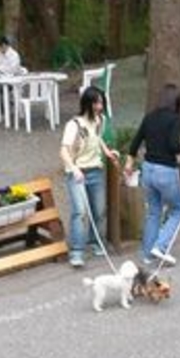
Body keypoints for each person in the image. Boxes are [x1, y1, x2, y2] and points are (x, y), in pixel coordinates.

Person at [124, 83, 180, 266]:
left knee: (153, 212)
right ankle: (160, 246)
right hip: (165, 171)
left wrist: (129, 163)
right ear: (176, 102)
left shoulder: (150, 117)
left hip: (148, 169)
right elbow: (174, 145)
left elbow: (136, 142)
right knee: (178, 209)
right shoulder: (174, 119)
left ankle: (147, 255)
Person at [60, 86, 119, 268]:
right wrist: (74, 169)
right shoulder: (74, 125)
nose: (100, 106)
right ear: (88, 103)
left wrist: (107, 152)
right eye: (97, 102)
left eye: (101, 102)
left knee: (98, 210)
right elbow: (63, 150)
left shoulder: (100, 121)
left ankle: (95, 241)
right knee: (80, 212)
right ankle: (76, 251)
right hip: (77, 173)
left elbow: (97, 137)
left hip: (96, 170)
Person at [0, 35, 26, 117]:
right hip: (1, 80)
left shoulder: (14, 55)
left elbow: (12, 70)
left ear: (3, 45)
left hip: (13, 82)